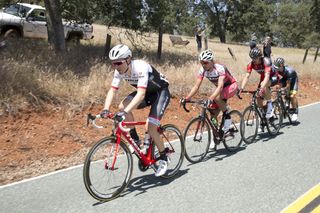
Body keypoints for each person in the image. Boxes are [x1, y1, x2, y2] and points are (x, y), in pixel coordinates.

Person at [102, 44, 171, 177]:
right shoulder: (119, 71)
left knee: (151, 127)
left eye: (118, 63)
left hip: (160, 92)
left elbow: (140, 95)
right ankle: (136, 141)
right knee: (122, 106)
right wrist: (106, 108)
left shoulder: (140, 67)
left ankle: (163, 157)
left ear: (128, 59)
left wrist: (125, 113)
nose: (115, 66)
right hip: (147, 93)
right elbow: (112, 90)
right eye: (113, 64)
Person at [181, 49, 238, 132]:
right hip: (221, 89)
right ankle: (217, 133)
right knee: (213, 114)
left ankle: (227, 115)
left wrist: (210, 98)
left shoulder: (219, 68)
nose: (203, 65)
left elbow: (220, 86)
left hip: (231, 86)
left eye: (206, 62)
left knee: (217, 97)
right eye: (201, 62)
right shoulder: (202, 70)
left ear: (212, 61)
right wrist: (187, 98)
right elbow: (196, 86)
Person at [239, 47, 278, 119]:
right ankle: (263, 114)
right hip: (263, 78)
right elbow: (247, 76)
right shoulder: (251, 64)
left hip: (273, 76)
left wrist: (262, 87)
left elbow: (267, 76)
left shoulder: (266, 61)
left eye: (255, 58)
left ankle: (270, 105)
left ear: (260, 57)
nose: (254, 60)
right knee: (258, 96)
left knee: (264, 85)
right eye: (252, 58)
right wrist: (241, 88)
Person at [273, 57, 299, 122]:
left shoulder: (289, 71)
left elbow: (288, 85)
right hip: (285, 78)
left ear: (281, 65)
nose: (276, 68)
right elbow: (275, 78)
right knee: (277, 87)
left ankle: (295, 112)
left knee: (292, 95)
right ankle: (278, 101)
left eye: (277, 67)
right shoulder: (277, 68)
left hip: (293, 80)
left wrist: (284, 89)